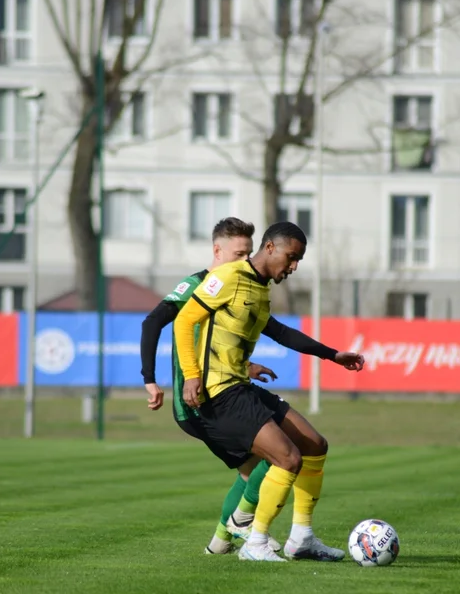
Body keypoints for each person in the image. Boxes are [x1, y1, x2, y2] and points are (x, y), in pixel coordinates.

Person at [140, 217, 346, 555]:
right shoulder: (222, 278)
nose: (293, 267)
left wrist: (332, 355)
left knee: (313, 444)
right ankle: (253, 538)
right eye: (291, 258)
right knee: (283, 459)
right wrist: (184, 376)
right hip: (216, 394)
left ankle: (297, 538)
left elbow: (279, 333)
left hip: (238, 386)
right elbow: (183, 321)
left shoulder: (259, 288)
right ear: (270, 249)